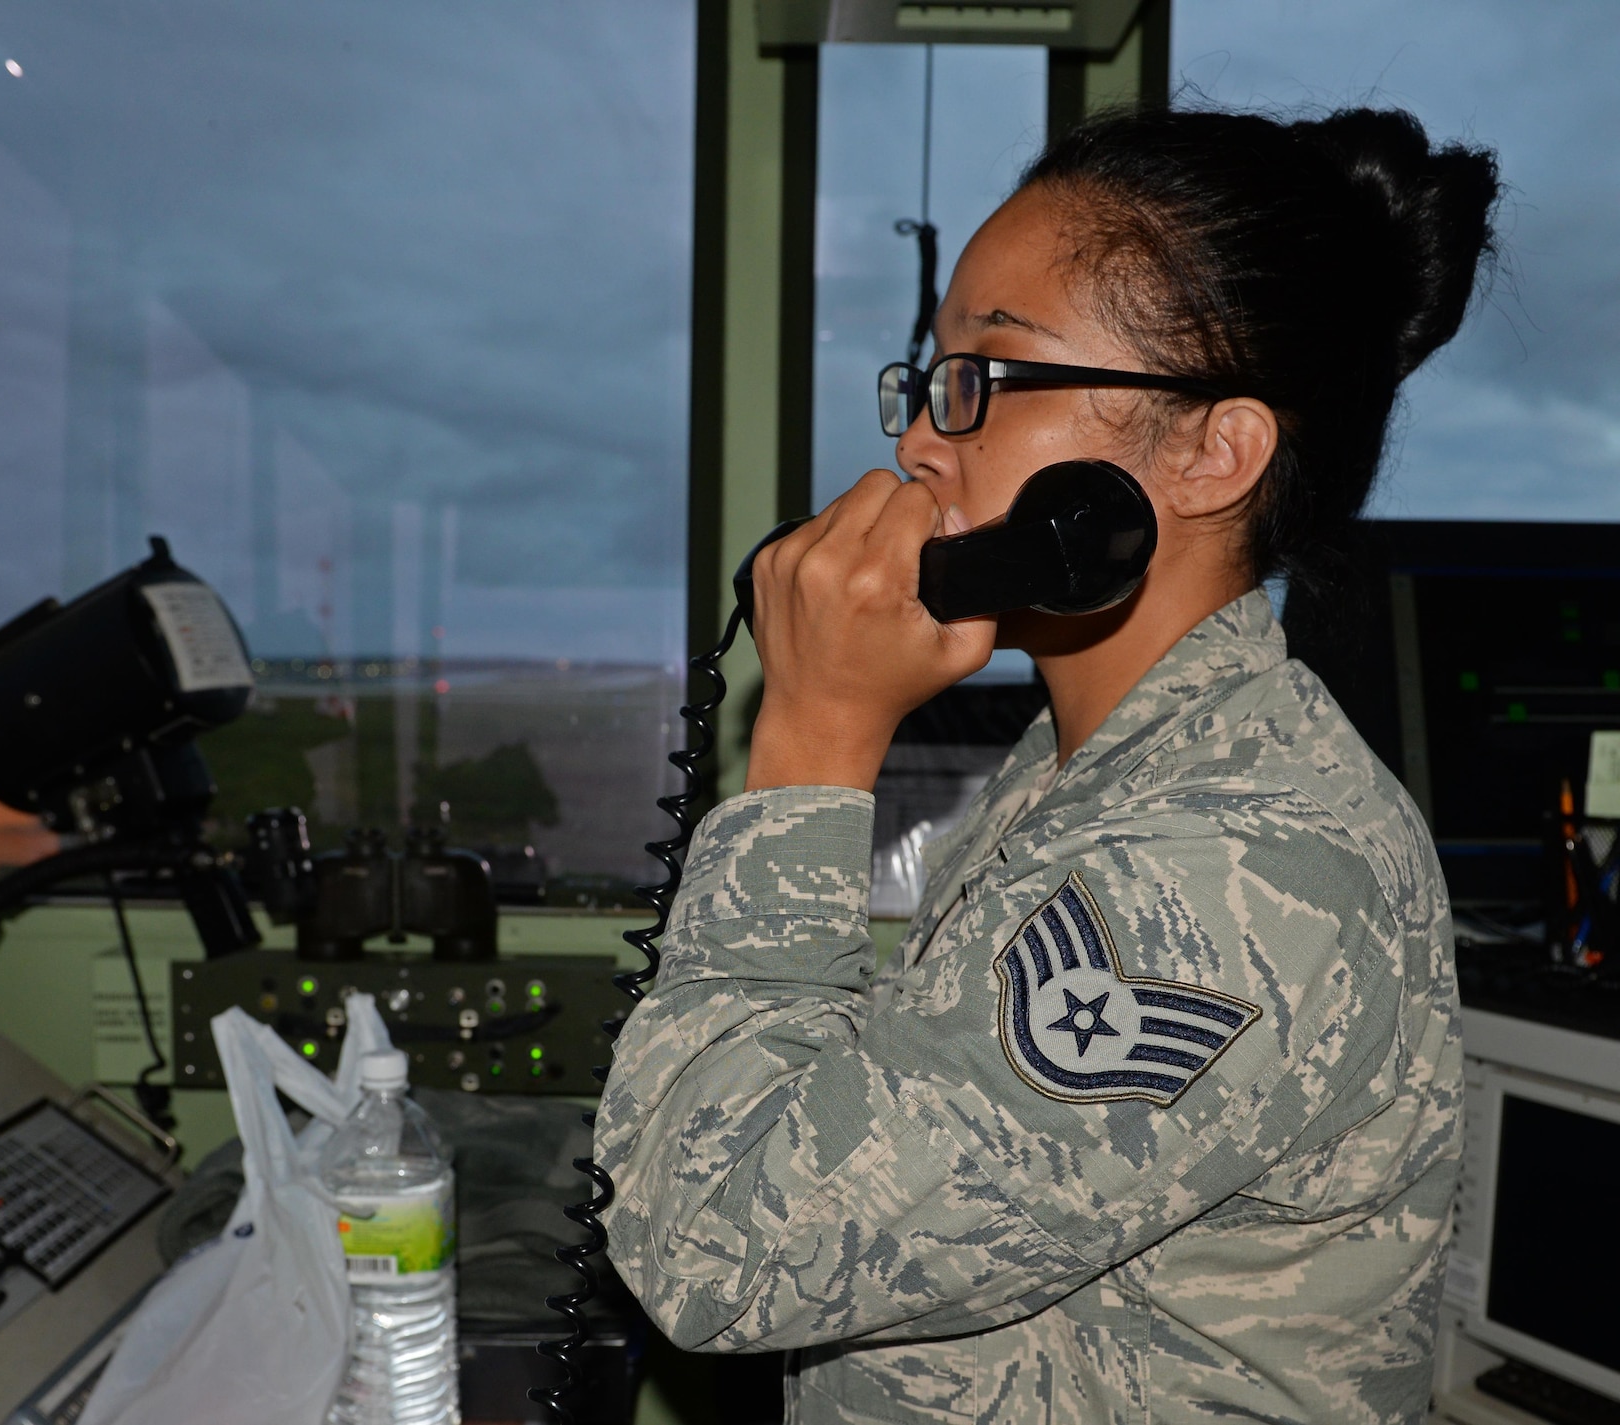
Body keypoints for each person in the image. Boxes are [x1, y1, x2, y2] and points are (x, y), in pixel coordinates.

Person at [595, 105, 1499, 1423]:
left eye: (982, 381)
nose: (917, 444)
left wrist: (810, 736)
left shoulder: (1230, 868)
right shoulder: (1093, 769)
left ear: (1210, 450)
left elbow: (717, 1248)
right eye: (927, 381)